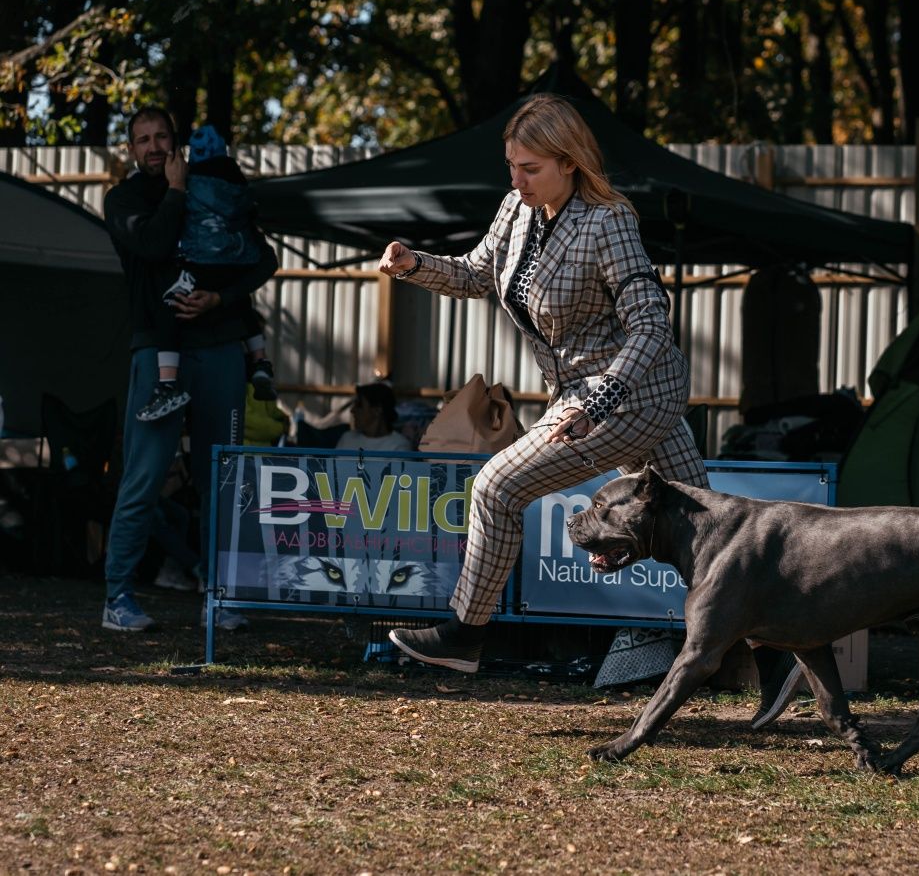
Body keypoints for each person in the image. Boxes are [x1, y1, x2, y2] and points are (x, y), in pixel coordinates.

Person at [379, 93, 803, 728]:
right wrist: (416, 265)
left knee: (496, 484)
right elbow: (476, 273)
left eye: (530, 169)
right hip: (585, 396)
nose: (516, 181)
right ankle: (787, 658)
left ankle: (465, 636)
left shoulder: (609, 221)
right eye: (511, 166)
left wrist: (596, 402)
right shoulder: (515, 211)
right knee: (710, 546)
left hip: (629, 395)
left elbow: (651, 325)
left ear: (570, 162)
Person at [100, 106, 278, 631]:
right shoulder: (124, 199)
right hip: (159, 356)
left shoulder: (214, 189)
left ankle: (219, 595)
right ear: (131, 150)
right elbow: (153, 245)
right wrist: (176, 191)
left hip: (220, 348)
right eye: (142, 140)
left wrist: (218, 297)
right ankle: (117, 597)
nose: (153, 147)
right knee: (145, 476)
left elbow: (262, 260)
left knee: (220, 479)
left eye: (161, 137)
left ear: (177, 142)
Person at [137, 123, 276, 422]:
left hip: (199, 262)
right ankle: (261, 361)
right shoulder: (237, 182)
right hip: (237, 262)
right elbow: (253, 219)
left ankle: (167, 384)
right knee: (241, 301)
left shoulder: (187, 183)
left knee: (169, 310)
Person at [335, 382, 414, 452]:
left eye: (359, 405)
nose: (352, 410)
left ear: (377, 410)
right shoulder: (347, 439)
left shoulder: (399, 446)